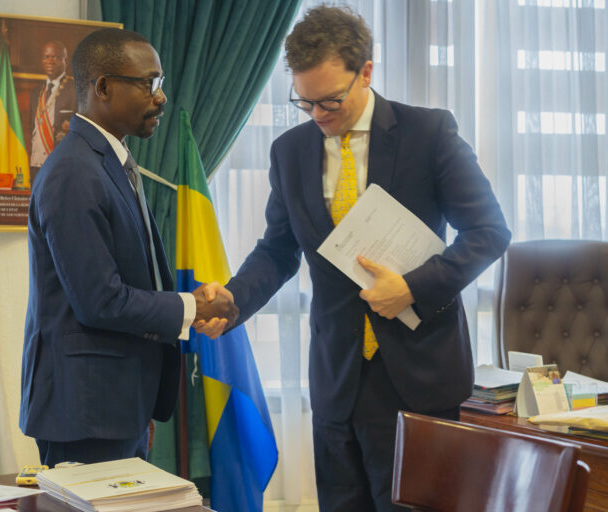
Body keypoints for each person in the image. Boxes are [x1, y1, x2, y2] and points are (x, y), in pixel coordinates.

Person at [201, 6, 510, 511]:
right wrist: (233, 298)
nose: (318, 115)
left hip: (419, 379)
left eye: (330, 101)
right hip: (337, 380)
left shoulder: (427, 133)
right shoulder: (289, 152)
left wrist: (411, 287)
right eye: (304, 102)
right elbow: (278, 250)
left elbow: (489, 232)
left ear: (366, 71)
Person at [19, 27, 237, 467]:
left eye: (161, 83)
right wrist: (191, 306)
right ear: (103, 87)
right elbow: (100, 301)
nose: (161, 97)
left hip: (116, 404)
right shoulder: (74, 171)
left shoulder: (107, 161)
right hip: (85, 413)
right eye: (149, 83)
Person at [28, 40, 77, 187]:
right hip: (36, 163)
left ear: (65, 60)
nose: (50, 61)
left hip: (62, 163)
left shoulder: (74, 90)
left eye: (55, 57)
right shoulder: (36, 92)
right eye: (46, 57)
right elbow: (31, 128)